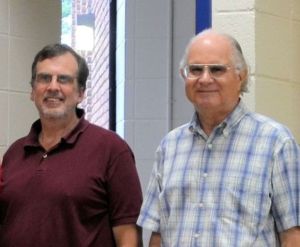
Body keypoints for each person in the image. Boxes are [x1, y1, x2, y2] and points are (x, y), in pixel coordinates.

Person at [137, 29, 300, 246]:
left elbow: (292, 235)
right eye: (195, 70)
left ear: (241, 76)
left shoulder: (276, 142)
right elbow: (157, 235)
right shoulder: (170, 146)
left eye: (216, 69)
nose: (204, 79)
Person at [0, 44, 143, 247]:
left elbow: (128, 234)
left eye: (64, 79)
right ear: (32, 91)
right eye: (44, 78)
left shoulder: (111, 149)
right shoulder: (14, 154)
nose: (53, 87)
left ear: (81, 93)